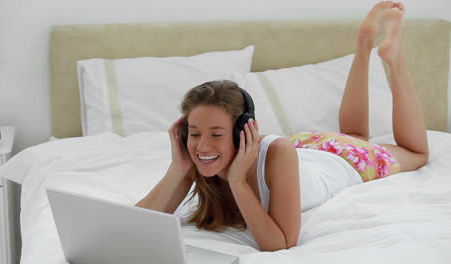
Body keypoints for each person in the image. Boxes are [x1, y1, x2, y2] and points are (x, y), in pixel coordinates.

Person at [135, 1, 429, 252]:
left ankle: (394, 59)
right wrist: (178, 168)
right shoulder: (199, 159)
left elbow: (281, 244)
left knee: (414, 152)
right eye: (195, 133)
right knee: (354, 134)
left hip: (343, 158)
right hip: (306, 146)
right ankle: (363, 45)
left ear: (242, 131)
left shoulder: (277, 152)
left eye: (217, 134)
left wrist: (237, 182)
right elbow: (135, 224)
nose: (203, 145)